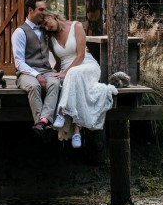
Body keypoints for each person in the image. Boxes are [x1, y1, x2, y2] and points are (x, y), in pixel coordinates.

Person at [41, 13, 117, 149]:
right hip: (68, 72)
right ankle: (76, 131)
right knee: (75, 82)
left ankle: (61, 112)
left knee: (73, 73)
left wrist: (66, 72)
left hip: (87, 66)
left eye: (46, 24)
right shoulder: (50, 38)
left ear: (52, 16)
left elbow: (81, 55)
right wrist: (52, 73)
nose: (47, 28)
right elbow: (58, 62)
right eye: (44, 27)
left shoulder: (77, 26)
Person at [12, 0, 61, 135]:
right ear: (30, 10)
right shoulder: (20, 32)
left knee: (54, 83)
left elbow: (63, 33)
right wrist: (37, 75)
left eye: (44, 9)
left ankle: (43, 122)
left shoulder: (46, 29)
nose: (44, 12)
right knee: (34, 86)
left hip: (46, 70)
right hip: (26, 73)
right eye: (41, 9)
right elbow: (19, 62)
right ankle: (41, 123)